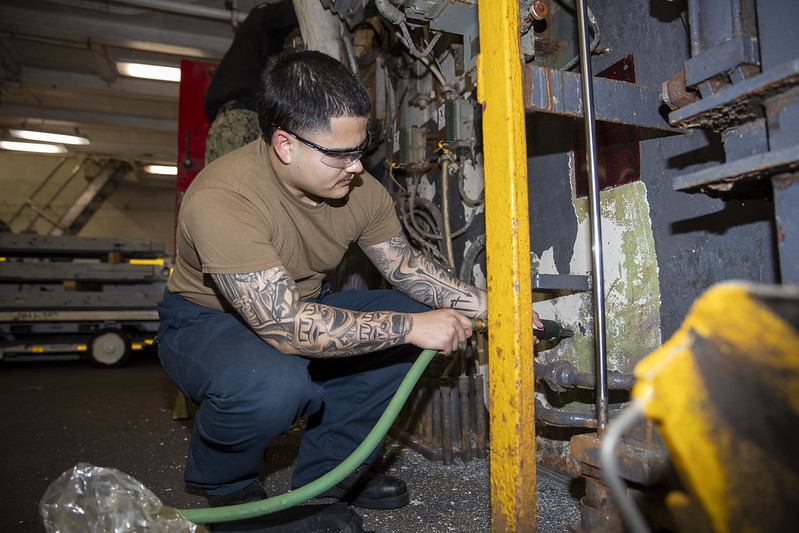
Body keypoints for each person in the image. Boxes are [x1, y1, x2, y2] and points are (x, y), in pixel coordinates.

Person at [157, 50, 542, 514]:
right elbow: (286, 329)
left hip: (301, 304)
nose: (357, 167)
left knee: (419, 316)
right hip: (207, 321)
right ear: (285, 145)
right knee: (273, 383)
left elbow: (404, 266)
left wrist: (491, 306)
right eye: (340, 154)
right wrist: (409, 329)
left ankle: (328, 477)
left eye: (360, 149)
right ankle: (229, 492)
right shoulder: (223, 199)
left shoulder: (358, 190)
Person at [203, 0, 298, 165]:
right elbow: (291, 12)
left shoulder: (250, 49)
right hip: (242, 119)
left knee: (222, 184)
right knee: (244, 183)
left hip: (224, 124)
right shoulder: (259, 18)